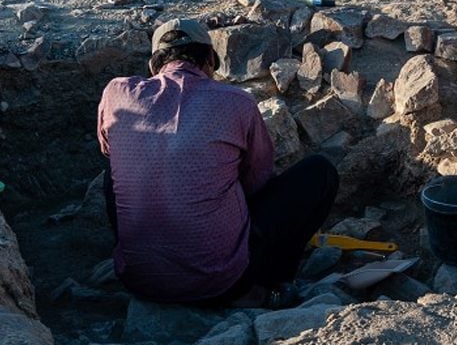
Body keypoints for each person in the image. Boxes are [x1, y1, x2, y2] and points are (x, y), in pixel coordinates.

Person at [98, 18, 339, 306]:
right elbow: (256, 180)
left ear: (153, 65)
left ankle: (145, 254)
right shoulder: (236, 101)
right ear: (211, 59)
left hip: (138, 280)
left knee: (113, 173)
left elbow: (109, 149)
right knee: (319, 172)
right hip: (221, 283)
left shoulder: (117, 92)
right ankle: (269, 284)